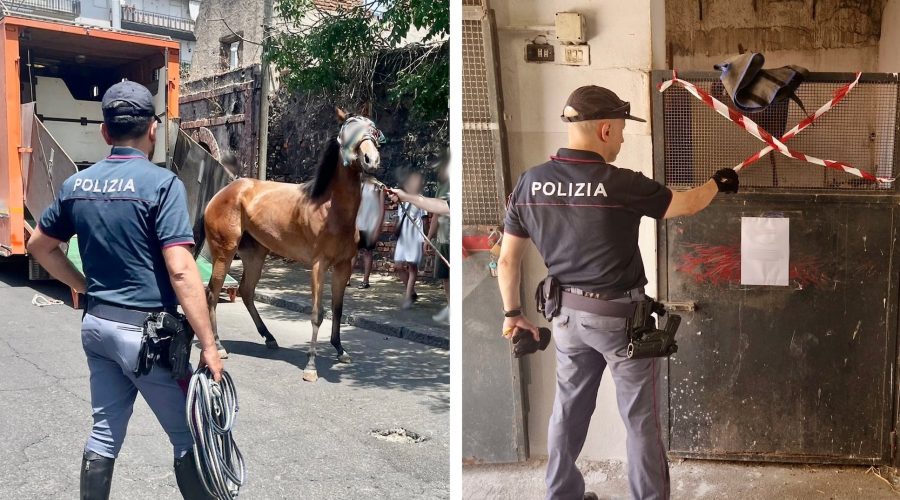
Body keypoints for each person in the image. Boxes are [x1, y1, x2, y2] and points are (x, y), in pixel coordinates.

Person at [497, 86, 738, 500]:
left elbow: (507, 260)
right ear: (605, 129)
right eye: (622, 130)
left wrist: (512, 314)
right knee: (640, 420)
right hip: (620, 324)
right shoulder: (620, 183)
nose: (623, 139)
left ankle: (561, 495)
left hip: (566, 317)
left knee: (567, 412)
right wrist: (719, 182)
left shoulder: (530, 183)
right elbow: (686, 204)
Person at [26, 81, 224, 500]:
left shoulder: (77, 185)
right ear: (153, 129)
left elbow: (38, 246)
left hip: (97, 327)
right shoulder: (162, 185)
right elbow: (182, 271)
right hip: (147, 340)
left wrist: (82, 287)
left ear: (105, 132)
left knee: (104, 433)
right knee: (190, 435)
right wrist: (209, 344)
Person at [393, 170, 427, 309]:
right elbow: (399, 218)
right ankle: (411, 291)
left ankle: (408, 297)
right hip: (403, 237)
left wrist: (425, 239)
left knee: (412, 267)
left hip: (415, 237)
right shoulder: (401, 199)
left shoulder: (420, 199)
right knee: (398, 266)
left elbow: (424, 220)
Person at [427, 158, 450, 323]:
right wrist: (429, 238)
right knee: (445, 276)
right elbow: (435, 214)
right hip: (443, 239)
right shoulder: (442, 186)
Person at [355, 176, 386, 289]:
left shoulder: (380, 187)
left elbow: (382, 209)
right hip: (359, 223)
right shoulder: (360, 185)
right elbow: (357, 205)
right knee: (353, 252)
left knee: (368, 252)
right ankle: (347, 278)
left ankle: (365, 280)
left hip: (371, 225)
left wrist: (378, 227)